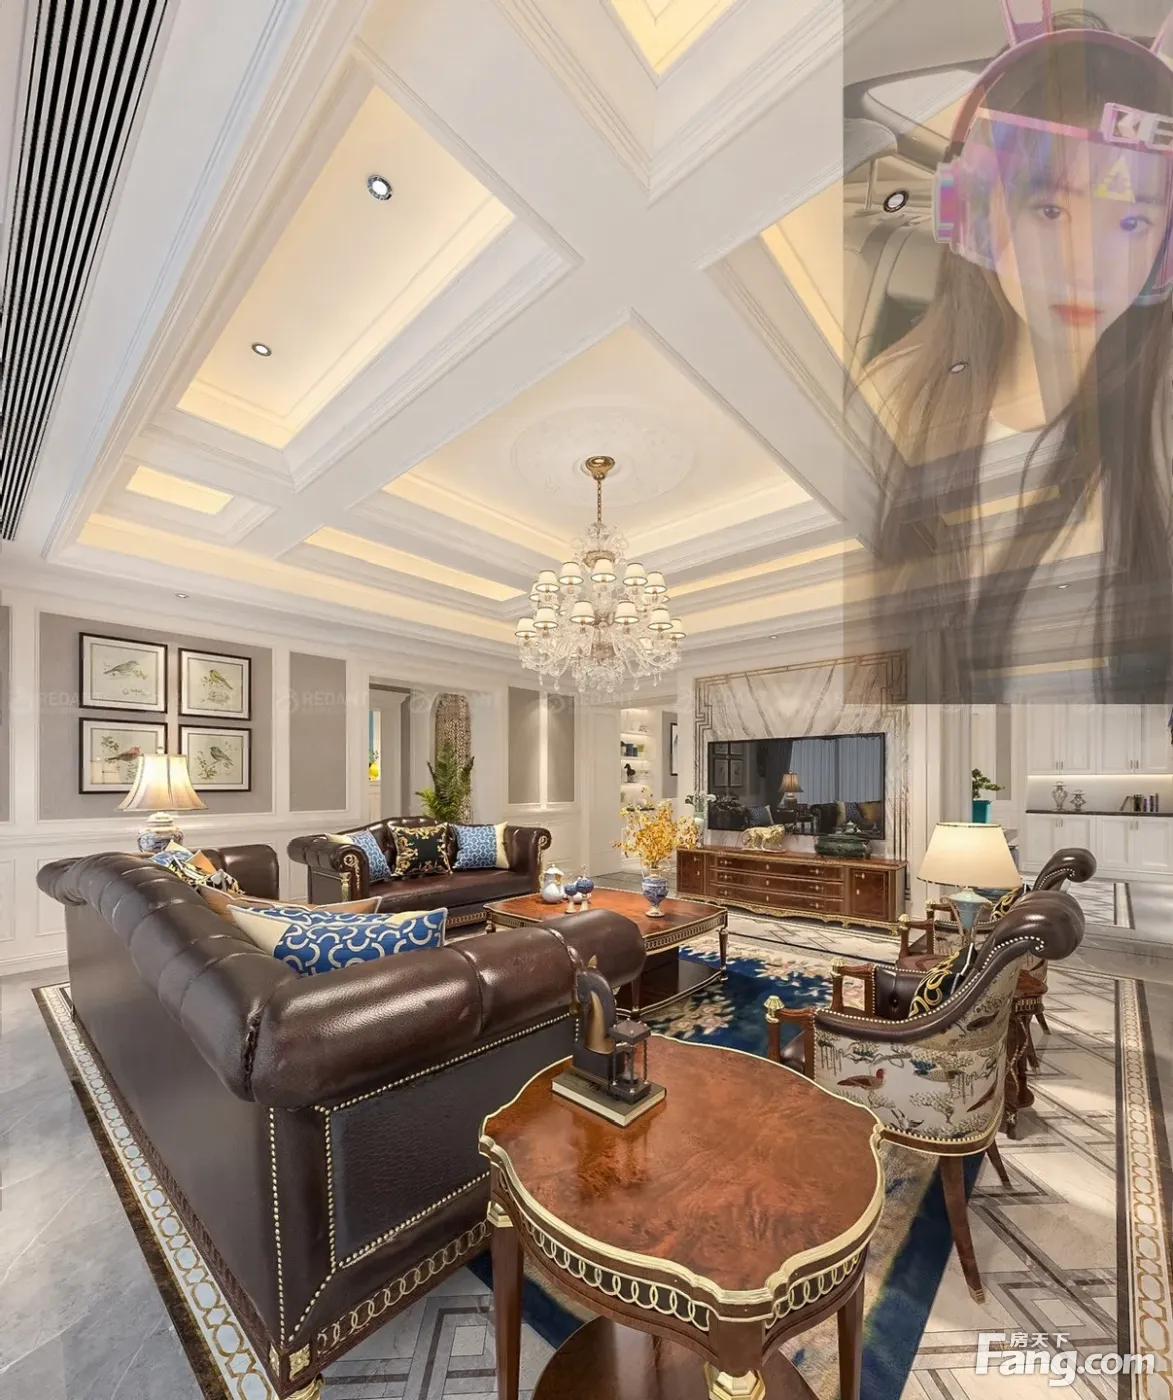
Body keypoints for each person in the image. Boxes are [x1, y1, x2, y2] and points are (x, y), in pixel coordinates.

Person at [854, 2, 1173, 702]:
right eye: (1050, 210)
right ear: (975, 207)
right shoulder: (890, 397)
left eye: (1132, 221)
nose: (1086, 268)